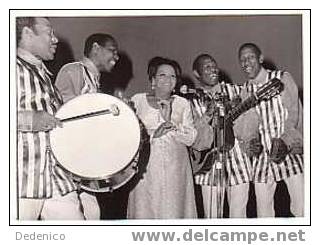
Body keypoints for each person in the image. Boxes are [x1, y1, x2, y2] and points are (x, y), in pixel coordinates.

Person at [16, 17, 85, 220]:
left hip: (56, 178)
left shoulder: (44, 74)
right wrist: (30, 120)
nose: (55, 40)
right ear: (28, 33)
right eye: (49, 33)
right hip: (20, 180)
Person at [234, 43, 304, 217]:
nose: (245, 62)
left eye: (250, 57)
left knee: (303, 207)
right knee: (264, 213)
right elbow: (249, 125)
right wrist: (251, 142)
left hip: (288, 152)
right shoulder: (245, 90)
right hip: (262, 159)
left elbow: (295, 113)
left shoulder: (282, 78)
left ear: (261, 58)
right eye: (242, 59)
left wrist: (286, 141)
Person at [55, 33, 120, 219]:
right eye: (112, 51)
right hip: (68, 166)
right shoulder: (73, 71)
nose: (116, 57)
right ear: (96, 48)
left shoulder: (95, 80)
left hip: (85, 165)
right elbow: (62, 116)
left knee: (93, 214)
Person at [127, 57, 198, 219]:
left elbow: (191, 138)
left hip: (176, 168)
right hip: (146, 168)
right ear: (153, 80)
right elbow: (130, 135)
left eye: (173, 76)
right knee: (145, 210)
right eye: (162, 75)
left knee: (174, 210)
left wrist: (169, 123)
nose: (168, 79)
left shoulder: (182, 103)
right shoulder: (138, 101)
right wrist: (153, 134)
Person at [187, 54, 251, 218]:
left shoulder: (237, 91)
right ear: (196, 73)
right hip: (208, 168)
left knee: (239, 218)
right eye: (207, 67)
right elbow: (193, 136)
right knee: (212, 219)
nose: (213, 68)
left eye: (214, 65)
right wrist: (207, 116)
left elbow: (252, 120)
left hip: (238, 164)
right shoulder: (191, 101)